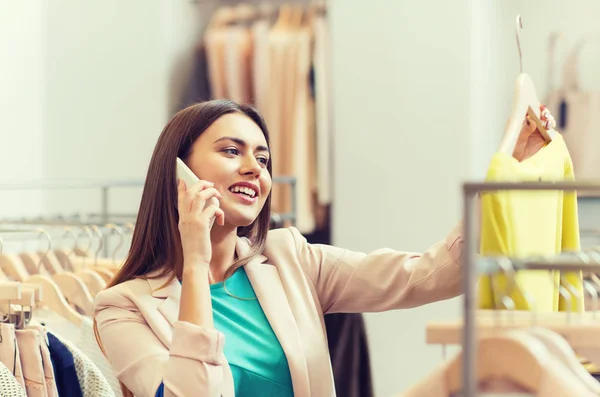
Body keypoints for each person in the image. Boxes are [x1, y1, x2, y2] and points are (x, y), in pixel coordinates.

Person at [93, 99, 553, 397]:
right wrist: (194, 263)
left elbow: (427, 275)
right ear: (178, 174)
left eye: (263, 157)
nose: (254, 167)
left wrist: (506, 175)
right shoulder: (123, 309)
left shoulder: (290, 257)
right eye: (232, 151)